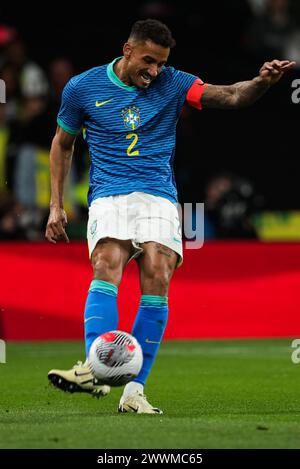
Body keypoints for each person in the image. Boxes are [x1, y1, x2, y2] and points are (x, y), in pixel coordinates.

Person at [45, 19, 295, 414]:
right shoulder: (82, 87)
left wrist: (261, 81)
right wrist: (56, 204)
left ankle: (133, 392)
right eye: (148, 60)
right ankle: (95, 369)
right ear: (127, 50)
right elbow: (62, 145)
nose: (154, 71)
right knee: (107, 262)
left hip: (158, 195)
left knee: (158, 275)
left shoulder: (175, 83)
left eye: (161, 63)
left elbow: (230, 96)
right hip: (109, 194)